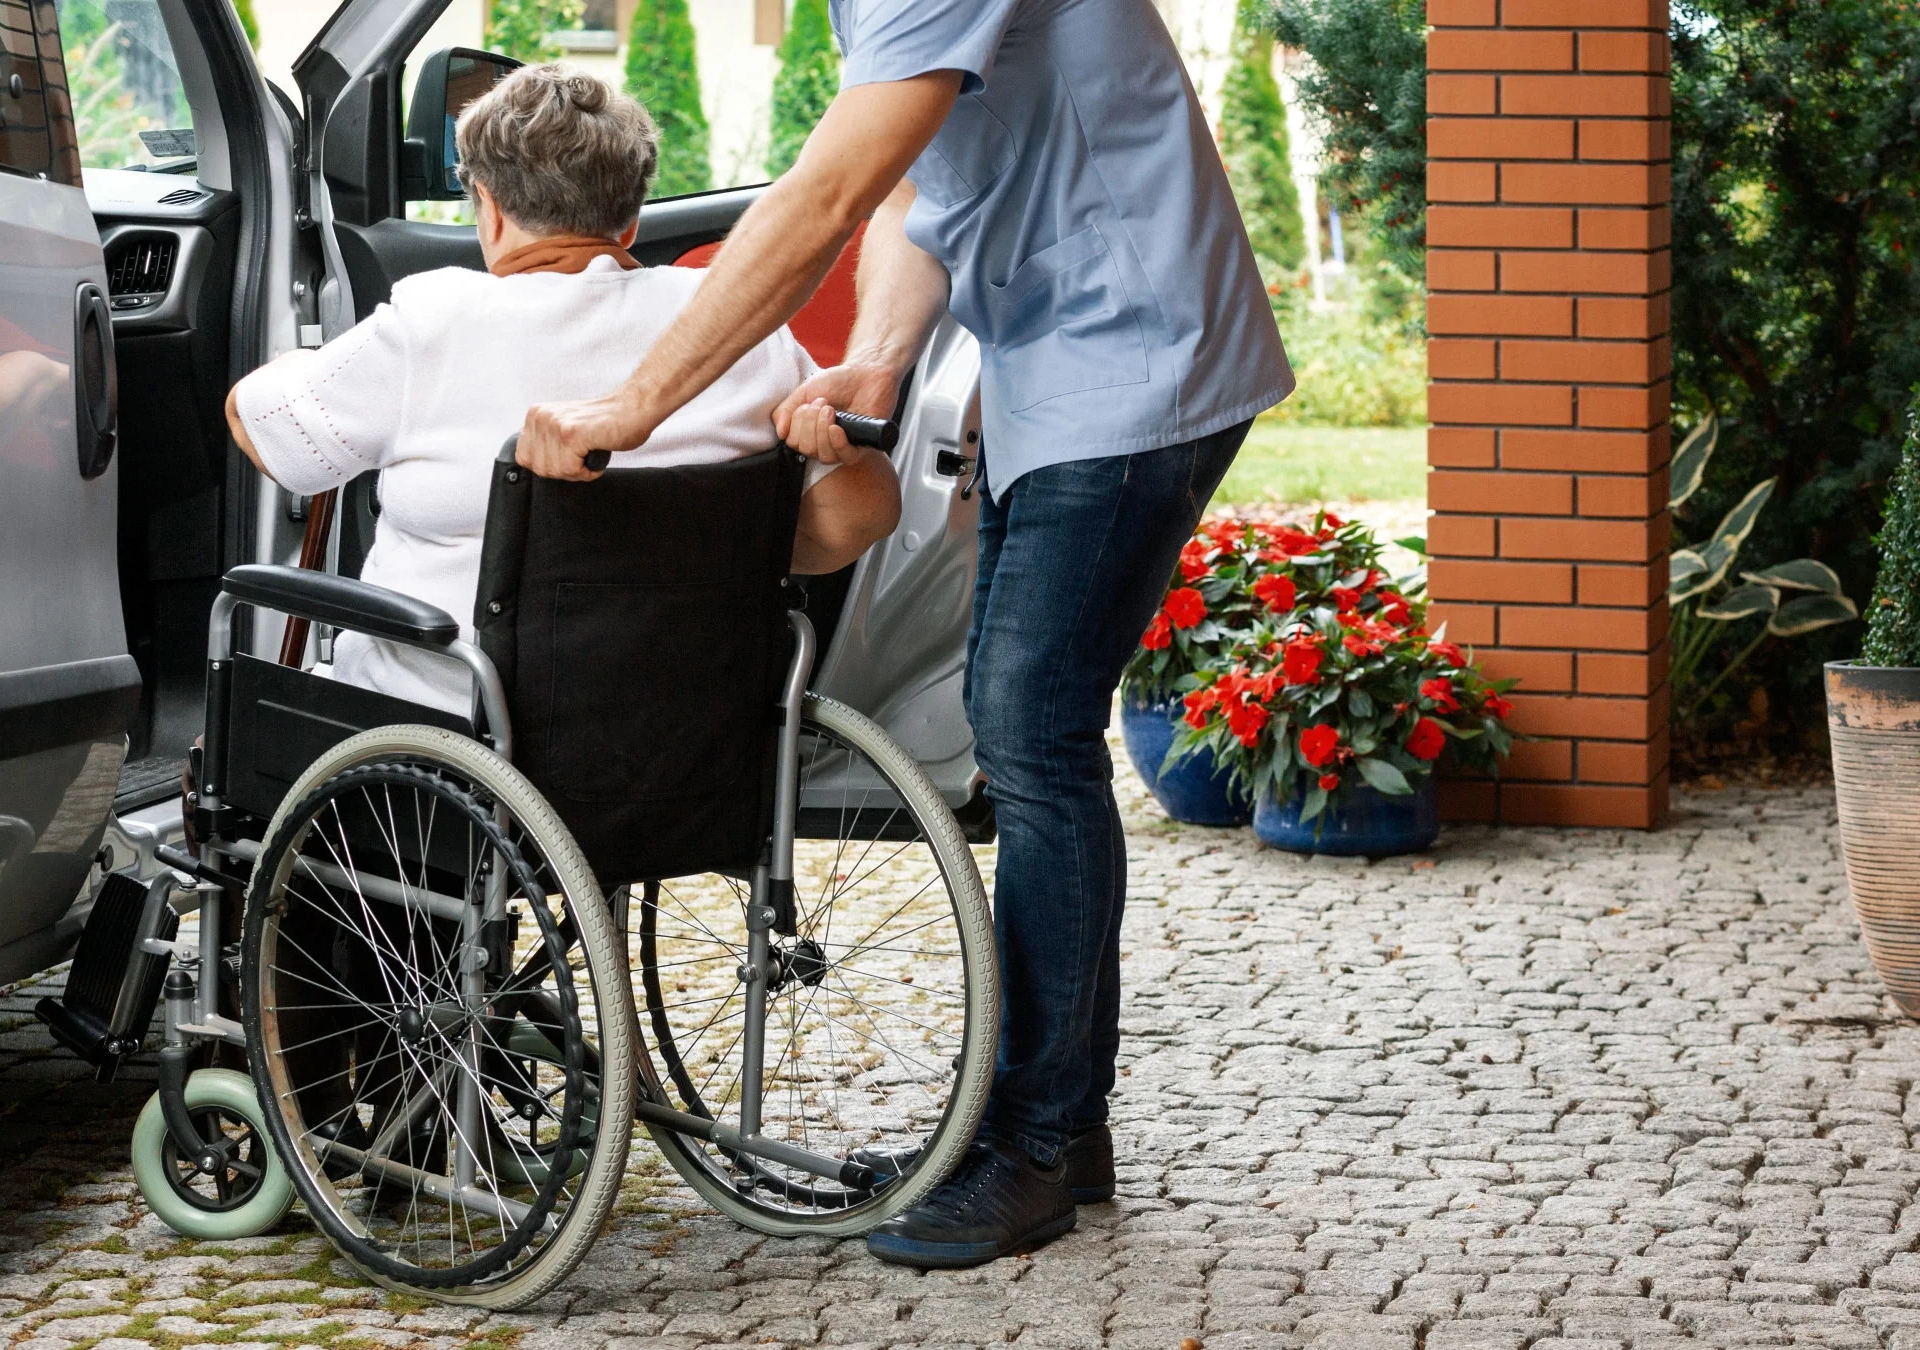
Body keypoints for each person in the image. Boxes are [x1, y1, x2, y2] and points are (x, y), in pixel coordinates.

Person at [514, 1, 1293, 1268]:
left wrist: (638, 401)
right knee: (1030, 736)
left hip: (1134, 362)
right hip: (1065, 363)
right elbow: (920, 184)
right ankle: (1059, 1125)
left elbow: (829, 191)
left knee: (1031, 738)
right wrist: (878, 358)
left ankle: (1035, 1144)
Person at [223, 63, 902, 713]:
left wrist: (293, 365)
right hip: (683, 753)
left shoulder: (433, 322)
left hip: (441, 753)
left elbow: (265, 431)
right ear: (629, 220)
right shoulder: (738, 328)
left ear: (486, 208)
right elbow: (850, 522)